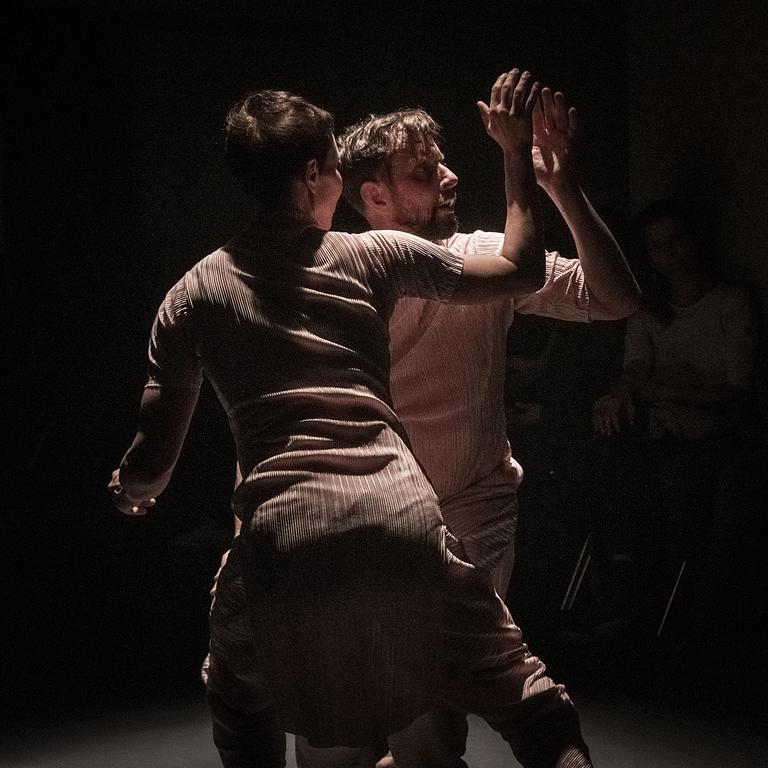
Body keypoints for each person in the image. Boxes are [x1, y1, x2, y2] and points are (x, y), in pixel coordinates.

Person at [108, 71, 594, 767]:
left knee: (241, 704)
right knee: (531, 705)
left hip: (283, 535)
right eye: (336, 166)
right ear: (313, 175)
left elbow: (151, 464)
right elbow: (519, 269)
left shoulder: (190, 295)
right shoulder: (373, 255)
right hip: (402, 517)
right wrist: (517, 155)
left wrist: (129, 491)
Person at [291, 88, 639, 768]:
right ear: (375, 196)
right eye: (425, 171)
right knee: (340, 731)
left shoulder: (485, 254)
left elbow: (614, 297)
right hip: (367, 519)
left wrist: (560, 186)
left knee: (430, 720)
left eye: (443, 161)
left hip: (471, 511)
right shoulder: (346, 268)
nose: (450, 176)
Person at [589, 197, 758, 647]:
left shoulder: (731, 303)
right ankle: (619, 584)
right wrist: (623, 394)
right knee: (608, 451)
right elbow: (636, 370)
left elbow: (735, 390)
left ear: (694, 239)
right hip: (659, 427)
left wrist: (660, 391)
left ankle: (664, 611)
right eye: (657, 246)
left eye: (676, 240)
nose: (670, 254)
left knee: (674, 477)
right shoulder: (648, 309)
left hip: (712, 432)